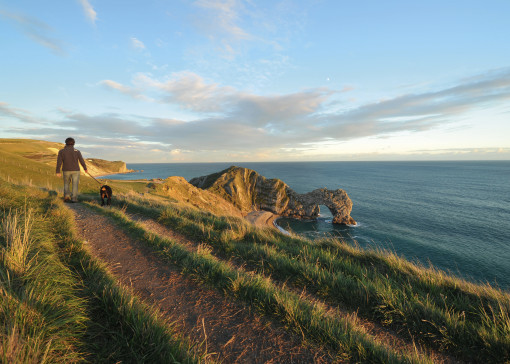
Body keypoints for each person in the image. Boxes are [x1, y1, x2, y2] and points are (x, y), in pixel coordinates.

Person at [56, 137, 88, 203]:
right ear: (74, 143)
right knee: (75, 184)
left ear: (66, 143)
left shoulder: (61, 151)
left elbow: (59, 162)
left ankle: (66, 197)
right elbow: (81, 161)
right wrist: (85, 168)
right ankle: (74, 199)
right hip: (76, 170)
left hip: (66, 170)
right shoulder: (77, 151)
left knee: (66, 184)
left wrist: (57, 171)